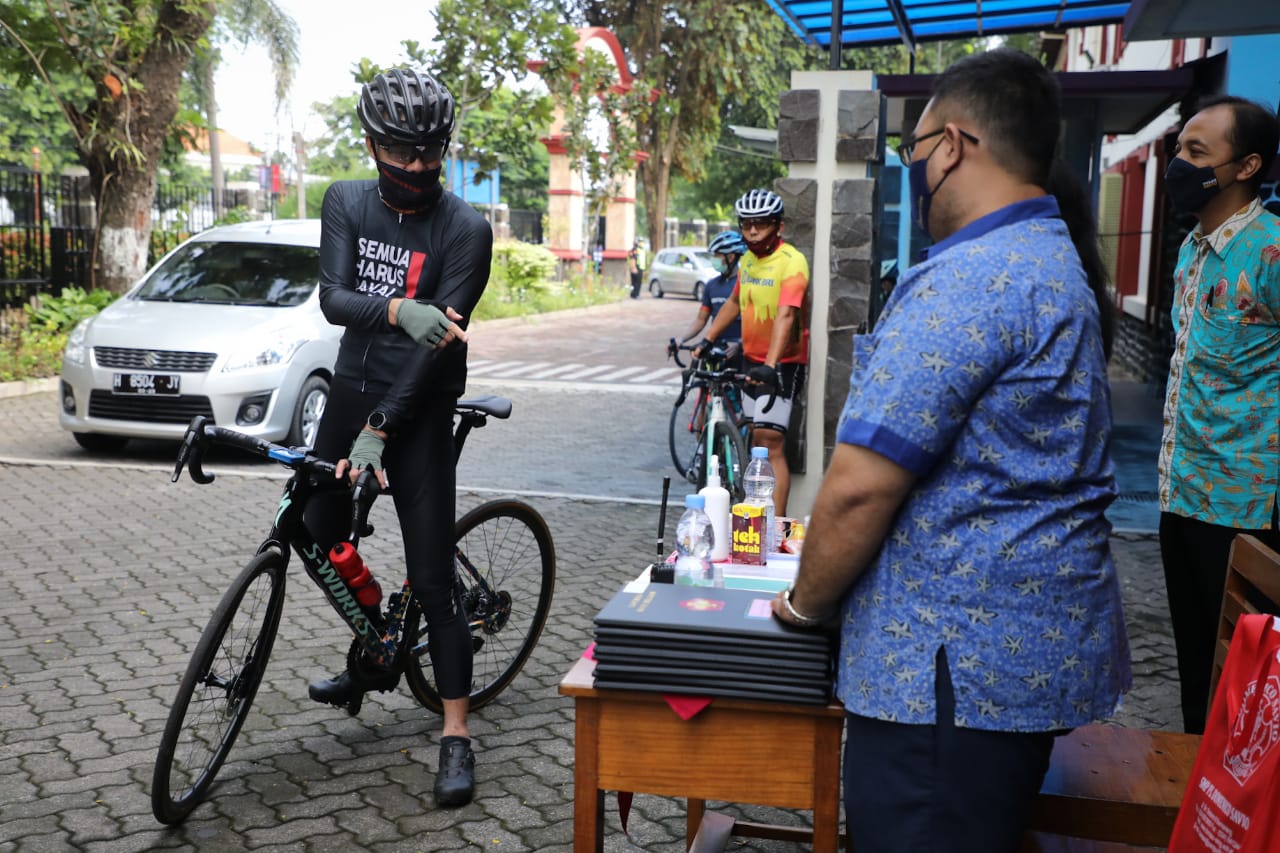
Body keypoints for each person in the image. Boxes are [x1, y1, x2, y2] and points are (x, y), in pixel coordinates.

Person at [770, 49, 1130, 853]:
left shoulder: (973, 278)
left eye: (914, 153)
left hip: (947, 678)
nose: (915, 174)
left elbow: (860, 487)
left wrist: (802, 605)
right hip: (1002, 671)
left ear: (955, 145)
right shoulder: (1048, 258)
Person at [302, 67, 493, 808]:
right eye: (400, 152)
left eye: (428, 154)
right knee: (313, 528)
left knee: (436, 578)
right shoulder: (346, 199)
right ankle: (377, 635)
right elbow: (333, 297)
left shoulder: (465, 229)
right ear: (373, 141)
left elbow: (435, 343)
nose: (414, 168)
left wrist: (383, 429)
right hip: (351, 388)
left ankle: (455, 735)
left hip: (421, 401)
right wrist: (396, 310)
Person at [1157, 95, 1280, 735]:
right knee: (1197, 679)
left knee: (1248, 694)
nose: (1179, 163)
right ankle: (1198, 812)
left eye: (1196, 153)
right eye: (1179, 148)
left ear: (1247, 165)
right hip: (1181, 495)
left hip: (1248, 511)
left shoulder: (1272, 252)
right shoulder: (1192, 252)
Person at [694, 189, 809, 516]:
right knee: (756, 443)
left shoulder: (792, 262)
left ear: (779, 227)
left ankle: (778, 526)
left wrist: (771, 365)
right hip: (751, 360)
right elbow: (733, 303)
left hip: (783, 365)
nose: (753, 231)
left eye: (761, 224)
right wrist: (707, 339)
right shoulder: (746, 261)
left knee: (769, 442)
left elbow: (787, 314)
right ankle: (755, 519)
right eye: (747, 225)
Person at [677, 230, 745, 366]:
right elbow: (700, 320)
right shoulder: (711, 285)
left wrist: (739, 343)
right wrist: (681, 339)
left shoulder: (745, 284)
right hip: (714, 346)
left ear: (731, 257)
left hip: (739, 350)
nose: (713, 259)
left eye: (717, 255)